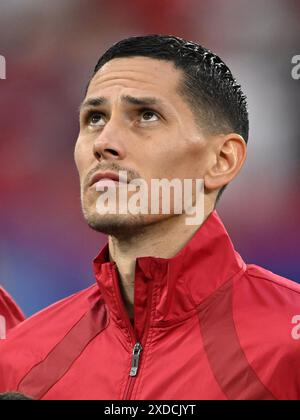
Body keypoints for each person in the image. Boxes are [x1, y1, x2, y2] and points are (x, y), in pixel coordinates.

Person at [0, 35, 299, 400]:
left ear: (222, 159)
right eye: (94, 118)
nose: (103, 142)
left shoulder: (289, 343)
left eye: (145, 115)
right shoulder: (19, 360)